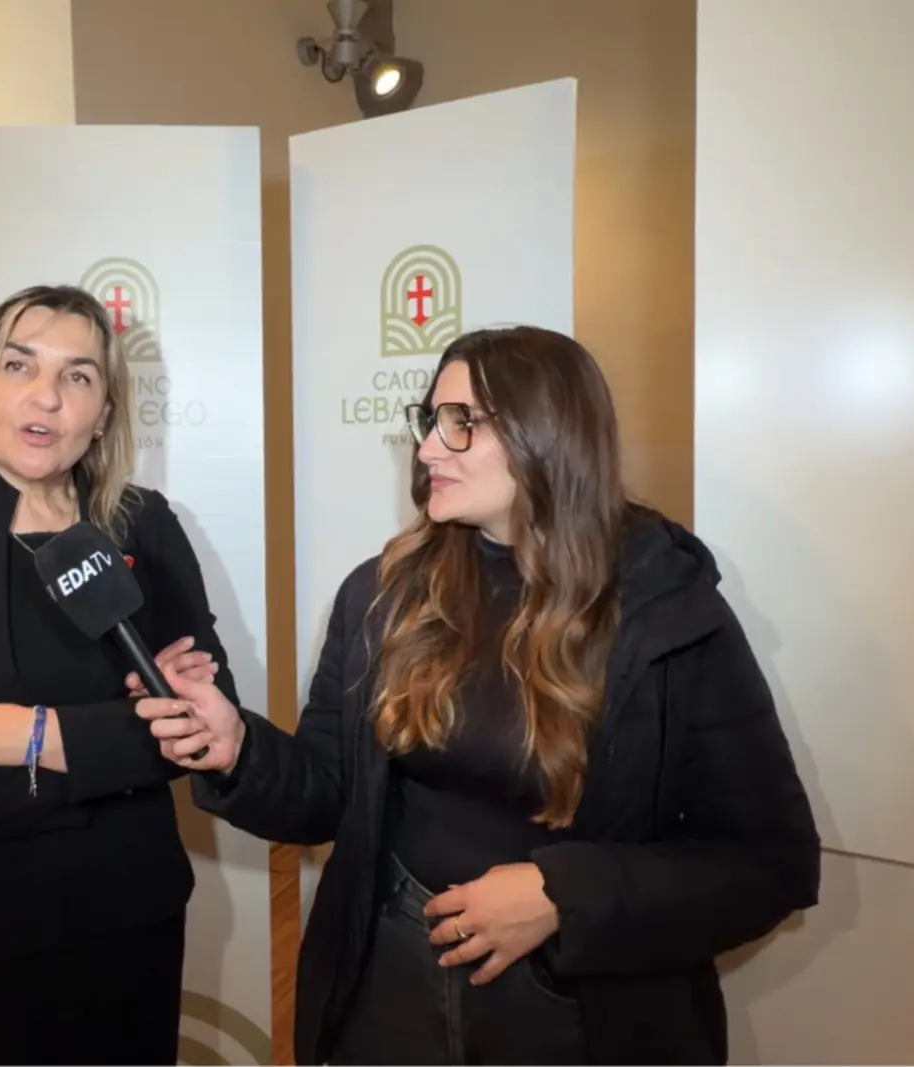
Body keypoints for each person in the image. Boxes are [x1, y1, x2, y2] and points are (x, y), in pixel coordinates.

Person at [137, 326, 822, 1065]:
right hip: (390, 987)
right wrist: (237, 748)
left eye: (461, 422)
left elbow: (769, 863)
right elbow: (327, 794)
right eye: (431, 420)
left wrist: (563, 897)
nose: (429, 448)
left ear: (548, 435)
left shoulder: (666, 613)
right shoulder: (382, 595)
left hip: (579, 1014)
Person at [0, 284, 238, 1065]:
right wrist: (123, 745)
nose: (46, 396)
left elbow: (203, 724)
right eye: (18, 364)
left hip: (128, 929)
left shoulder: (145, 525)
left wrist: (29, 735)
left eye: (77, 375)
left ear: (105, 411)